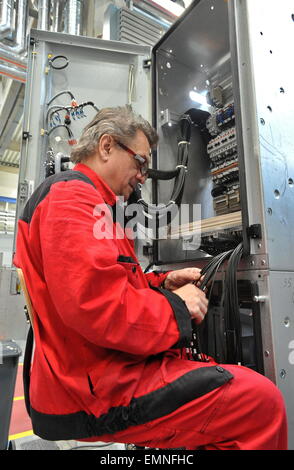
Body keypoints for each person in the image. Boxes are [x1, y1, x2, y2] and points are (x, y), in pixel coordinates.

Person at [14, 105, 288, 450]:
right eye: (141, 163)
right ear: (107, 146)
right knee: (258, 402)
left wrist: (160, 285)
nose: (143, 176)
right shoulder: (72, 198)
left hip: (94, 374)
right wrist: (177, 307)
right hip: (95, 388)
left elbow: (107, 283)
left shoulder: (90, 202)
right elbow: (98, 308)